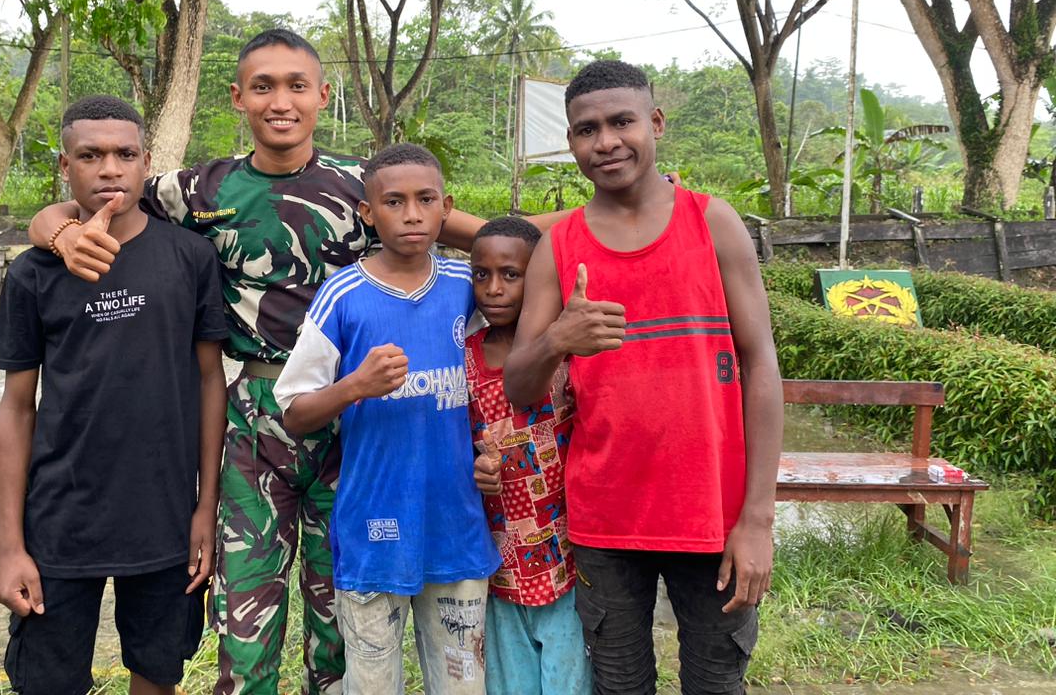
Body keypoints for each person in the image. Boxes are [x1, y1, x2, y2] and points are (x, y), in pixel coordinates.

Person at [26, 30, 512, 695]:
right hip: (257, 420)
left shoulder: (367, 186)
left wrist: (578, 227)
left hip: (355, 417)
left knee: (339, 614)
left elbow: (492, 241)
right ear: (238, 98)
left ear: (322, 96)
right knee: (246, 617)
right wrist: (57, 231)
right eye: (263, 87)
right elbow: (91, 195)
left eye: (296, 86)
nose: (280, 101)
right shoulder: (196, 188)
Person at [503, 60, 783, 695]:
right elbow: (519, 387)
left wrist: (757, 519)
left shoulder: (712, 223)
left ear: (655, 123)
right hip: (605, 519)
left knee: (717, 681)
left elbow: (761, 364)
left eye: (621, 122)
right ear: (570, 142)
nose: (606, 142)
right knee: (619, 683)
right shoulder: (559, 247)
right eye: (587, 130)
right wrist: (557, 340)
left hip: (712, 514)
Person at [0, 95, 229, 695]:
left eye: (125, 154)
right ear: (64, 165)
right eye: (90, 155)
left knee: (157, 672)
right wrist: (10, 545)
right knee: (48, 680)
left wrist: (204, 506)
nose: (109, 169)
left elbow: (211, 381)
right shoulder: (32, 274)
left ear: (146, 163)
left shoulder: (190, 258)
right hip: (59, 521)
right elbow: (17, 408)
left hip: (165, 518)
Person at [272, 143, 499, 695]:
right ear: (368, 212)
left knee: (463, 682)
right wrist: (355, 386)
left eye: (426, 200)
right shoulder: (343, 295)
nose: (412, 214)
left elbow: (492, 384)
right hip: (375, 527)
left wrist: (491, 450)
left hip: (456, 524)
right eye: (394, 202)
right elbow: (294, 411)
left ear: (447, 207)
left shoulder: (466, 288)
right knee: (372, 682)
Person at [465, 216, 593, 695]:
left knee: (569, 680)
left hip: (569, 560)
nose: (494, 289)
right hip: (500, 564)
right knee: (509, 683)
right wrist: (475, 468)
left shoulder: (566, 355)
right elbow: (457, 442)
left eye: (511, 275)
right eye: (482, 275)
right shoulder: (464, 358)